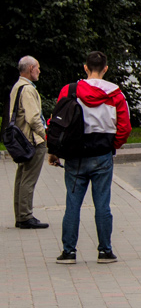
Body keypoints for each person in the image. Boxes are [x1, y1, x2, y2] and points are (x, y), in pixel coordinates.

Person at [50, 51, 132, 265]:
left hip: (75, 156)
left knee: (72, 204)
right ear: (105, 68)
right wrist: (112, 146)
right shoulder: (115, 94)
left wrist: (55, 151)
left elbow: (57, 123)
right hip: (102, 154)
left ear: (85, 68)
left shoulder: (69, 91)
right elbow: (124, 127)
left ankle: (68, 252)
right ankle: (105, 251)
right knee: (103, 204)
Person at [9, 56, 48, 229]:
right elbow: (33, 118)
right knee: (28, 179)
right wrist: (45, 135)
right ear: (31, 68)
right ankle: (25, 216)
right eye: (38, 67)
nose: (39, 71)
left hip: (21, 140)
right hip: (32, 140)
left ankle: (20, 214)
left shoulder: (17, 86)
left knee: (21, 177)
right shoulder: (28, 89)